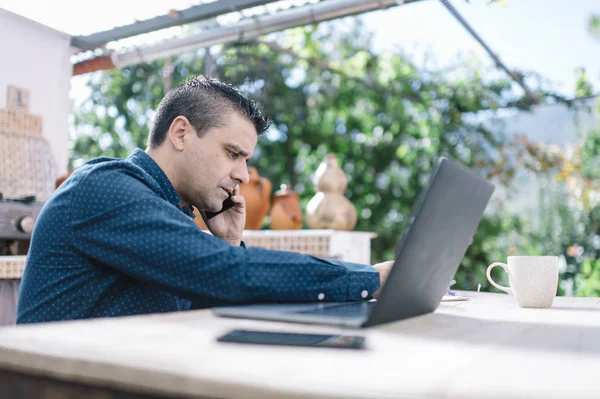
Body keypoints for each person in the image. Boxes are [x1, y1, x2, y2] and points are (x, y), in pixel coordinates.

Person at [17, 76, 392, 324]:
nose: (244, 175)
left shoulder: (172, 215)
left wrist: (225, 244)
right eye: (233, 153)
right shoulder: (105, 188)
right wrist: (370, 278)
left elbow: (206, 310)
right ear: (181, 132)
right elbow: (230, 273)